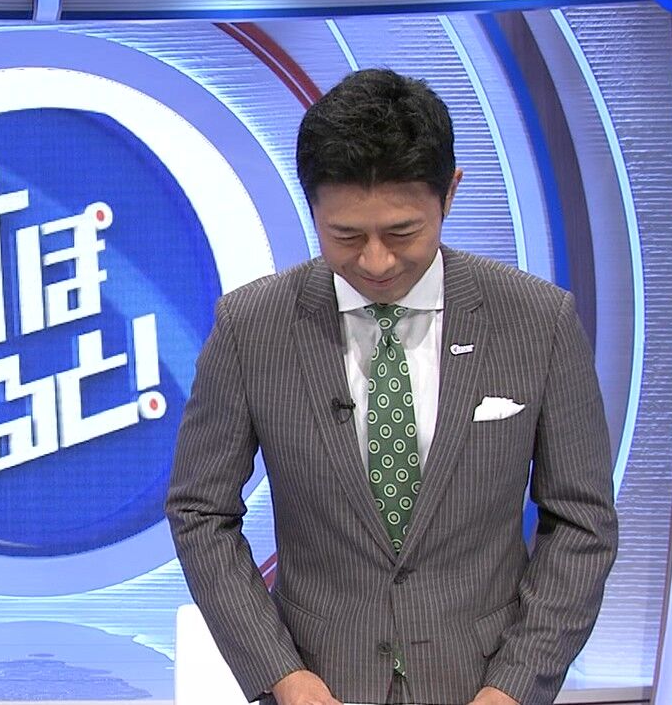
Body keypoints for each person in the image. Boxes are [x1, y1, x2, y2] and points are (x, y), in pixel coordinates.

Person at [166, 69, 618, 705]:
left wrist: (515, 685)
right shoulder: (251, 326)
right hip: (317, 681)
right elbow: (200, 512)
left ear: (449, 193)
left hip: (484, 679)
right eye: (345, 235)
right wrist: (281, 674)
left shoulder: (537, 321)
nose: (375, 261)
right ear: (312, 206)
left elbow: (581, 523)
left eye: (402, 232)